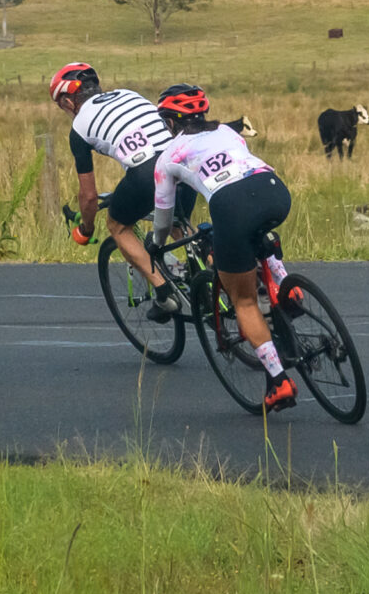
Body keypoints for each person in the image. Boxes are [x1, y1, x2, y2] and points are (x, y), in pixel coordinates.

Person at [150, 84, 298, 412]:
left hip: (230, 204)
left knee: (243, 301)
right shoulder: (229, 133)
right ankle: (287, 288)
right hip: (273, 188)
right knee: (260, 233)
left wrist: (157, 245)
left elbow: (163, 219)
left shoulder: (168, 156)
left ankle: (278, 380)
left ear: (170, 122)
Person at [49, 62, 201, 318]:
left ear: (67, 102)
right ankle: (215, 280)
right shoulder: (129, 93)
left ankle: (164, 295)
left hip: (148, 172)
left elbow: (88, 197)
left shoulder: (78, 128)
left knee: (117, 226)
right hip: (183, 159)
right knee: (180, 225)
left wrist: (86, 229)